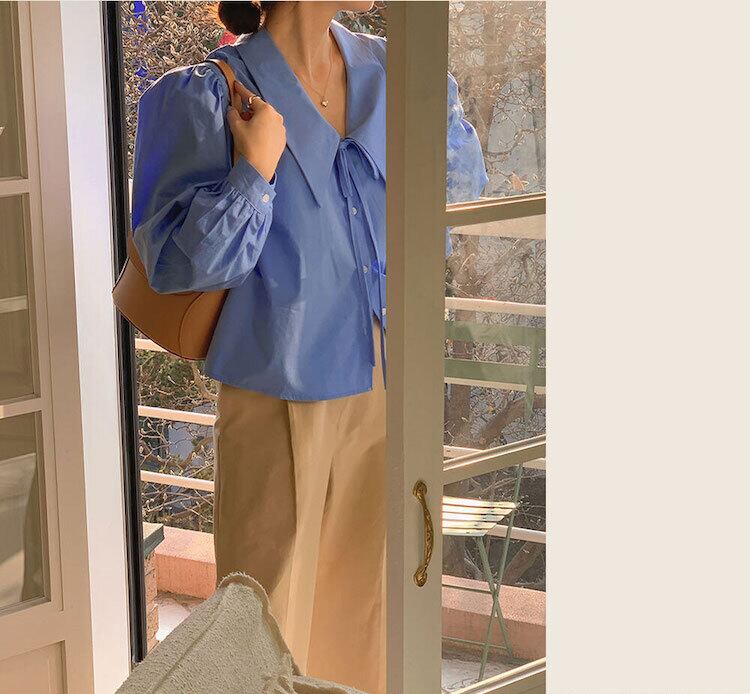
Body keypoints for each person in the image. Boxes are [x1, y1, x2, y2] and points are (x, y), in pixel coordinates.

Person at [130, 2, 488, 692]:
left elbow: (455, 198)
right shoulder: (209, 96)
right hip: (277, 399)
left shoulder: (395, 72)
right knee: (267, 627)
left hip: (388, 386)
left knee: (372, 618)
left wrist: (429, 102)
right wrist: (255, 168)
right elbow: (177, 265)